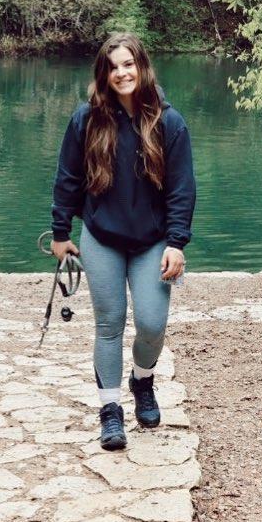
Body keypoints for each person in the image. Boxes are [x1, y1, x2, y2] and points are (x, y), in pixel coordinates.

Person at [50, 33, 196, 451]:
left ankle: (142, 380)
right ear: (104, 73)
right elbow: (67, 178)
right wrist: (61, 233)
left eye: (128, 64)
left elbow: (182, 189)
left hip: (153, 241)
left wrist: (176, 241)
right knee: (109, 323)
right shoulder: (85, 120)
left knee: (152, 323)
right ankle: (110, 411)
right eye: (113, 66)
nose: (122, 73)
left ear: (142, 67)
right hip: (102, 238)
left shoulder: (169, 122)